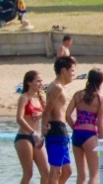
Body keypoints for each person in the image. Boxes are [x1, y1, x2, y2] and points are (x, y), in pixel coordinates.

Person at [66, 68, 103, 184]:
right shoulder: (100, 99)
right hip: (90, 136)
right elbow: (100, 123)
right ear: (100, 82)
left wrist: (74, 127)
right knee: (94, 175)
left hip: (77, 135)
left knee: (81, 175)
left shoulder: (78, 95)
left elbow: (67, 115)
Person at [43, 56, 77, 184]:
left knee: (67, 171)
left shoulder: (59, 86)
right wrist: (43, 130)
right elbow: (47, 110)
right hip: (56, 130)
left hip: (61, 130)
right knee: (56, 171)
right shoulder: (57, 87)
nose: (74, 74)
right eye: (72, 71)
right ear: (63, 71)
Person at [16, 70, 50, 184]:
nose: (41, 84)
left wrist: (43, 120)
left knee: (46, 172)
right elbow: (19, 119)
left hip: (38, 138)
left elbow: (46, 114)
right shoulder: (24, 98)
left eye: (42, 81)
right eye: (38, 81)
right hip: (24, 137)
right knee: (28, 173)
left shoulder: (40, 98)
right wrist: (33, 133)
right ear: (29, 82)